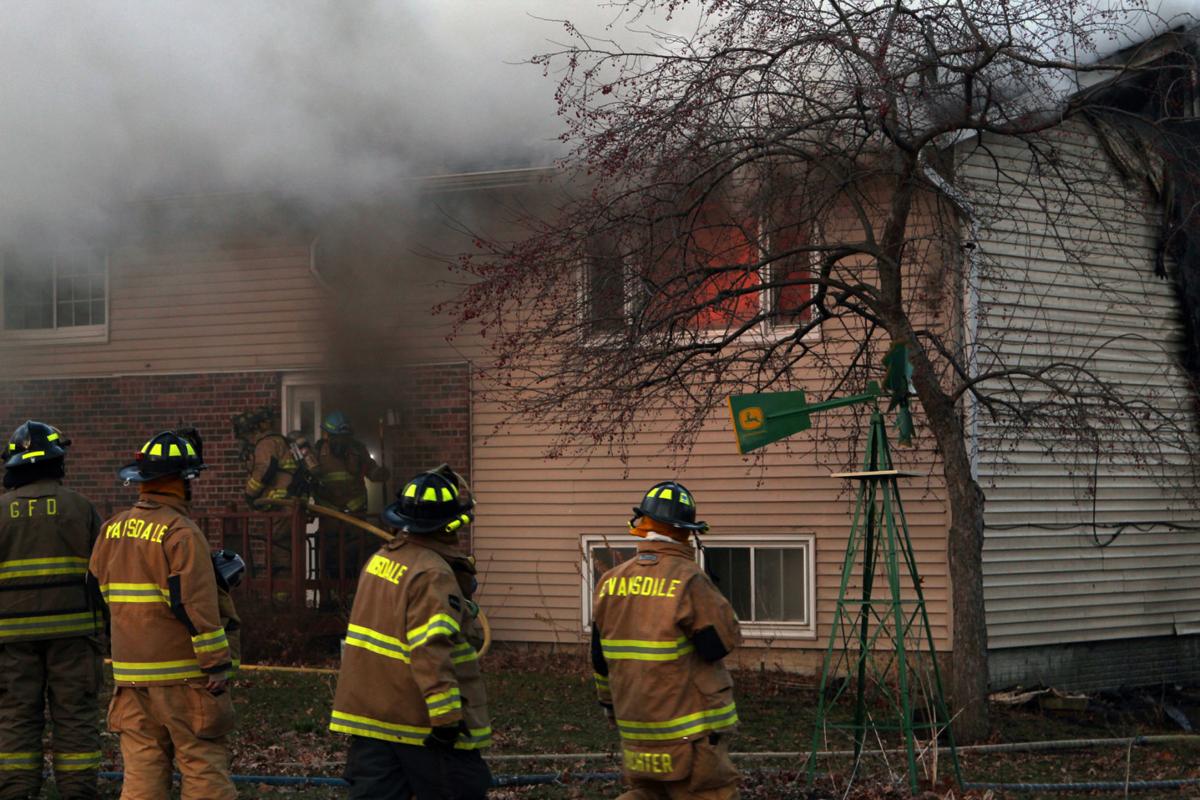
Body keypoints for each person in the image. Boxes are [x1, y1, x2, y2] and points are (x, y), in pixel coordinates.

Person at [88, 430, 236, 800]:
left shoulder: (112, 528)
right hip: (183, 676)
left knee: (142, 772)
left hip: (130, 675)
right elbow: (195, 604)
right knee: (201, 763)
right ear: (184, 481)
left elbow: (95, 589)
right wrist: (216, 663)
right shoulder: (180, 531)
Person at [330, 466, 491, 800]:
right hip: (419, 724)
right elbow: (431, 648)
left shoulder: (380, 561)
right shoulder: (432, 573)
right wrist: (446, 720)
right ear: (450, 524)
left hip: (370, 718)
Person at [592, 481, 742, 800]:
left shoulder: (609, 582)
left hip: (636, 732)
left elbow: (599, 659)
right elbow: (719, 644)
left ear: (642, 526)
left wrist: (608, 706)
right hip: (692, 735)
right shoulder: (688, 579)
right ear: (687, 532)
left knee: (648, 794)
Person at [0, 421, 104, 800]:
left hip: (10, 640)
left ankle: (15, 792)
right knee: (75, 715)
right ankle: (77, 792)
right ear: (57, 462)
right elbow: (103, 575)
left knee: (15, 715)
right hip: (74, 636)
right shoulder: (81, 509)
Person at [240, 408, 317, 586]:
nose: (248, 439)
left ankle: (284, 599)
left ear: (255, 429)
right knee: (291, 550)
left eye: (248, 433)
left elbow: (265, 470)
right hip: (293, 504)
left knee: (279, 551)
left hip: (282, 506)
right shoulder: (283, 442)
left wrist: (250, 495)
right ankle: (292, 595)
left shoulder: (266, 443)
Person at [312, 411, 389, 587]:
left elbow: (372, 471)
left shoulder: (358, 450)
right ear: (327, 435)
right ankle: (329, 598)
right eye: (335, 437)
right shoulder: (317, 452)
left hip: (356, 517)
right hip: (329, 518)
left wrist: (381, 473)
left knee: (355, 559)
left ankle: (353, 597)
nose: (340, 441)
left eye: (344, 437)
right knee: (330, 560)